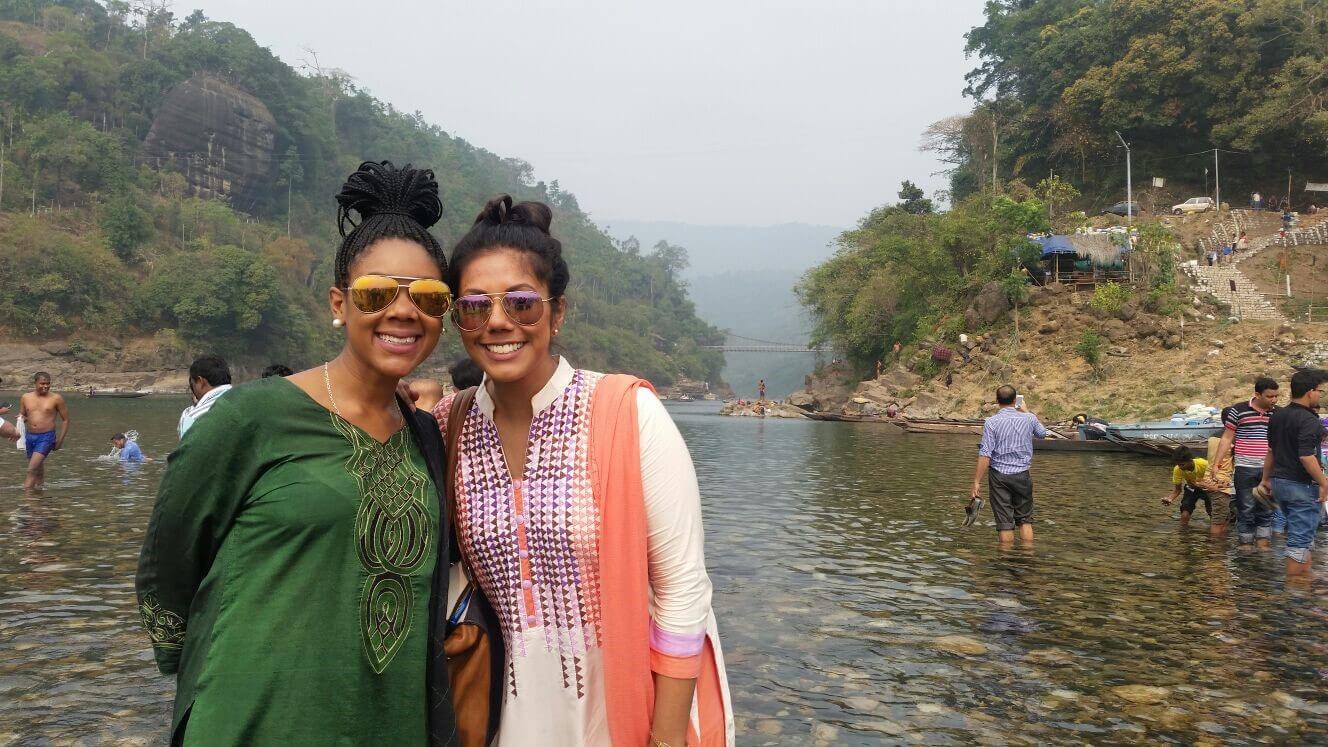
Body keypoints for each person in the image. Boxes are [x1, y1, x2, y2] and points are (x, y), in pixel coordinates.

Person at [136, 161, 465, 743]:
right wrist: (207, 671)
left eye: (429, 297)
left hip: (388, 722)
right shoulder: (248, 418)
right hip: (257, 718)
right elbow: (168, 563)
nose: (403, 310)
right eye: (377, 292)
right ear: (339, 302)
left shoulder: (425, 437)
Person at [432, 195, 733, 746]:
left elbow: (683, 593)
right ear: (457, 319)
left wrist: (664, 739)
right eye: (475, 306)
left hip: (624, 710)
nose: (498, 322)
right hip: (509, 712)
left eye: (522, 303)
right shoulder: (448, 426)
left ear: (558, 311)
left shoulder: (626, 414)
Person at [1259, 369, 1328, 578]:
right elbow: (1306, 457)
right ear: (1310, 392)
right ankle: (1294, 595)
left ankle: (1303, 585)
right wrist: (1324, 483)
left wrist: (1265, 479)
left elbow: (1270, 451)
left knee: (1303, 536)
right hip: (1301, 486)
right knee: (1299, 540)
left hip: (1280, 484)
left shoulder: (1278, 416)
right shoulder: (1308, 420)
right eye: (1320, 391)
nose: (1321, 395)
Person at [971, 385, 1047, 546]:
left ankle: (1006, 562)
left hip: (999, 476)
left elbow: (985, 454)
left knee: (1004, 523)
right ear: (1015, 401)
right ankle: (1027, 557)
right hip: (1022, 475)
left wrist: (977, 481)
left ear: (997, 401)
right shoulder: (1029, 418)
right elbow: (1042, 433)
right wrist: (1027, 412)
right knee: (1025, 520)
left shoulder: (991, 422)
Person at [1213, 377, 1280, 547]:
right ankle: (1246, 548)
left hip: (1270, 469)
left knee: (1266, 509)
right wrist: (1216, 464)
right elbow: (1227, 438)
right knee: (1246, 509)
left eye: (1276, 396)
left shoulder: (1278, 413)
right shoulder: (1239, 410)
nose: (1274, 400)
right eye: (1270, 396)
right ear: (1257, 394)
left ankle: (1263, 548)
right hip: (1245, 468)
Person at [20, 372, 69, 495]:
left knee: (31, 469)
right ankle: (39, 496)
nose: (45, 386)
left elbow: (66, 420)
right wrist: (22, 419)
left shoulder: (56, 398)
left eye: (48, 384)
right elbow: (23, 416)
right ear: (35, 383)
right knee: (38, 469)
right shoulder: (25, 397)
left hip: (46, 436)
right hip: (30, 436)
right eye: (42, 383)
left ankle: (27, 500)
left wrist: (60, 442)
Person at [177, 355, 232, 439]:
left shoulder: (192, 417)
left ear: (200, 381)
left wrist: (197, 407)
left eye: (192, 384)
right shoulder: (251, 401)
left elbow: (189, 451)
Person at [1162, 445, 1211, 527]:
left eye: (1182, 464)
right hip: (1191, 489)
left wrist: (1200, 484)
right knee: (1184, 514)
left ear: (1190, 460)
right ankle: (1183, 535)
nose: (1180, 467)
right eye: (1178, 465)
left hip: (1208, 489)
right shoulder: (1177, 469)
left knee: (1212, 513)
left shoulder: (1204, 464)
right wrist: (1169, 499)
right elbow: (1177, 490)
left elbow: (1216, 480)